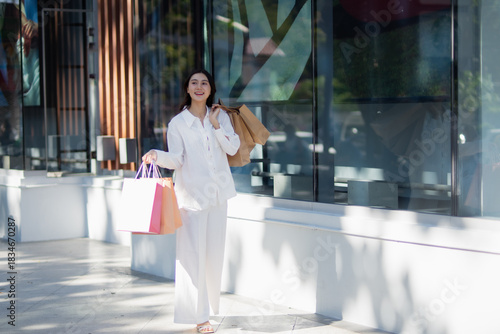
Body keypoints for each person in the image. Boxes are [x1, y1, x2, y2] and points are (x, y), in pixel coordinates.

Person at [142, 69, 240, 333]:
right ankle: (199, 317)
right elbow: (177, 159)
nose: (199, 87)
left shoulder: (221, 117)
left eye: (204, 83)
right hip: (192, 198)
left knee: (214, 255)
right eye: (194, 83)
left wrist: (217, 125)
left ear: (210, 89)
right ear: (187, 88)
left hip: (218, 196)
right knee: (192, 257)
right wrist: (156, 155)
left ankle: (209, 308)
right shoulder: (178, 124)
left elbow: (232, 148)